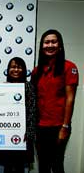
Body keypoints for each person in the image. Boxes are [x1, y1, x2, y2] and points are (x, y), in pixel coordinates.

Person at [31, 29, 79, 173]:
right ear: (42, 46)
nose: (50, 45)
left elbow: (70, 98)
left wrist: (65, 126)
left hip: (59, 126)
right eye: (46, 42)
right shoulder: (36, 71)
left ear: (60, 45)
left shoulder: (69, 67)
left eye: (53, 41)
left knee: (57, 164)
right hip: (40, 126)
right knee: (43, 166)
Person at [0, 57, 37, 173]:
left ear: (24, 70)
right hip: (6, 134)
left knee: (19, 167)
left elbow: (32, 111)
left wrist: (29, 132)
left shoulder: (28, 87)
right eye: (13, 67)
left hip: (23, 136)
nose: (16, 70)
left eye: (19, 67)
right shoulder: (3, 87)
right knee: (7, 167)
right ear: (8, 70)